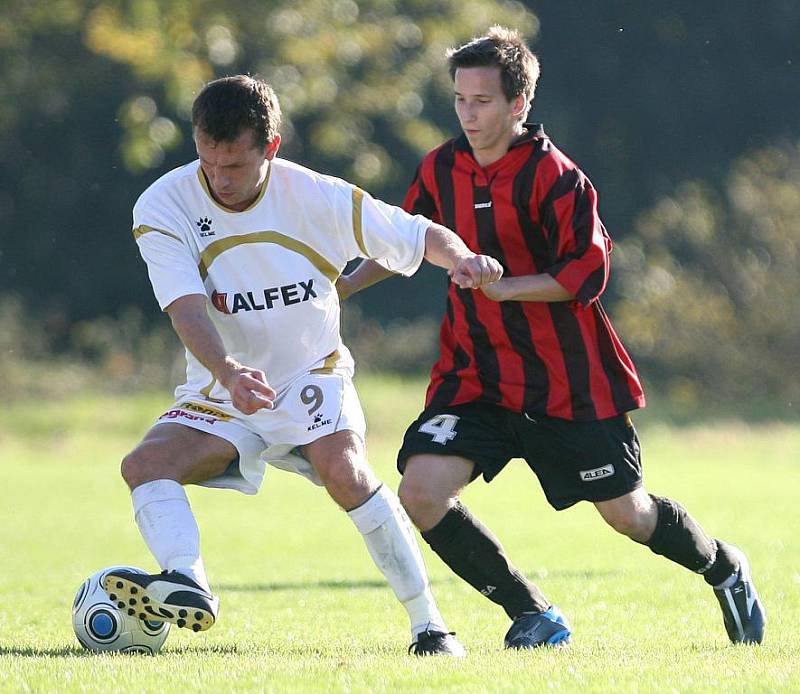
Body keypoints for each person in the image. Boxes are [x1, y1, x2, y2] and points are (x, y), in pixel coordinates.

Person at [338, 26, 765, 648]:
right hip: (475, 375)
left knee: (629, 516)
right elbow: (406, 240)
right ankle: (532, 613)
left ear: (519, 104)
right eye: (460, 98)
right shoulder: (440, 167)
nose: (468, 112)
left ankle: (723, 567)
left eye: (482, 101)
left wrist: (504, 286)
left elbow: (586, 274)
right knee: (421, 493)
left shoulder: (557, 177)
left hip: (565, 381)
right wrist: (344, 285)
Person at [103, 74, 505, 657]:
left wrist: (464, 258)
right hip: (224, 383)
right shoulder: (163, 205)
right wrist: (228, 372)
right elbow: (185, 307)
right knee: (144, 464)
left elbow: (416, 234)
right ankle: (188, 583)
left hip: (310, 374)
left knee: (343, 470)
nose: (219, 178)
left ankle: (431, 626)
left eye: (235, 165)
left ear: (272, 147)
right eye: (208, 162)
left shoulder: (318, 197)